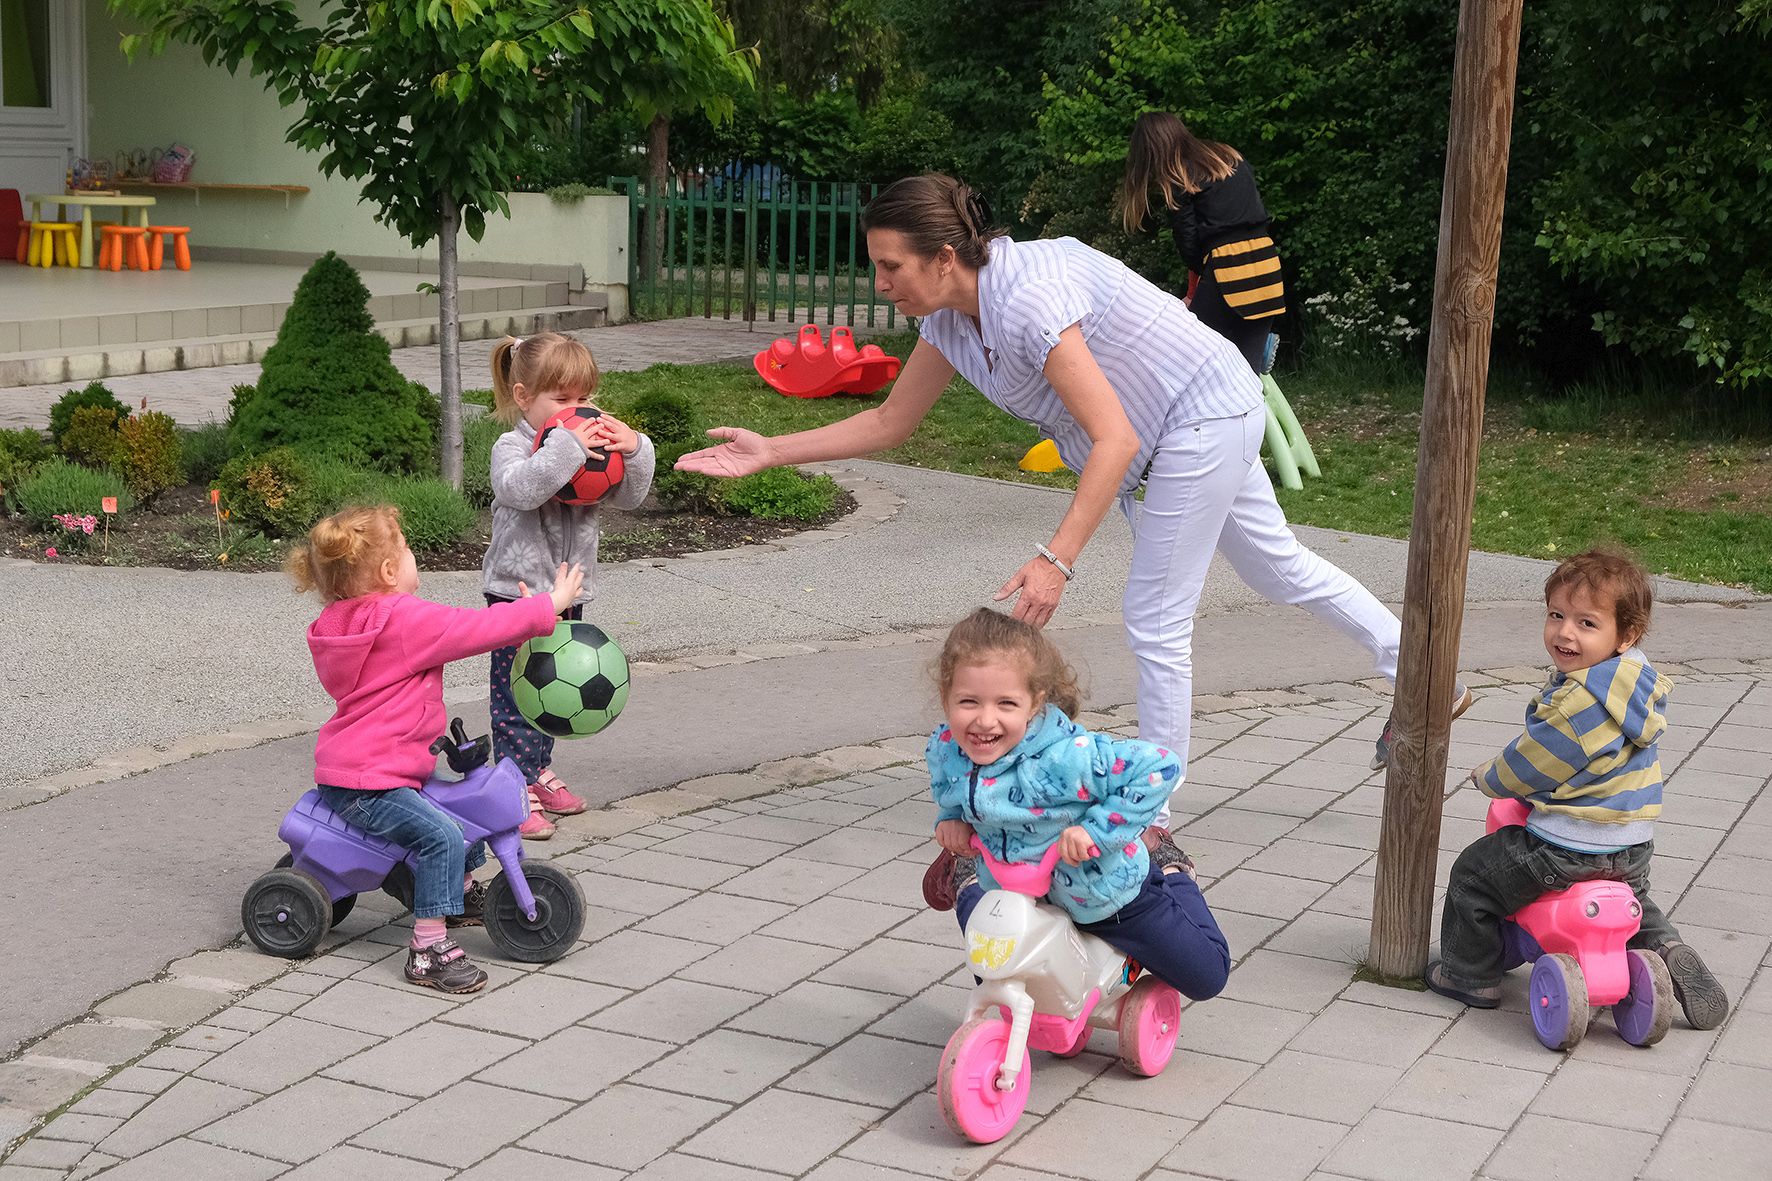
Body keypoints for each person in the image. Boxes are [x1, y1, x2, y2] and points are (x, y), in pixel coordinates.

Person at [673, 172, 1466, 905]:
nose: (879, 284)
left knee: (1156, 619)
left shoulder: (1028, 297)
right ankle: (1421, 669)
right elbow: (891, 420)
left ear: (944, 257)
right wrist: (772, 448)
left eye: (890, 266)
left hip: (1201, 412)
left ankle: (1148, 822)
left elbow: (1112, 436)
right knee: (1278, 567)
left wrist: (1057, 560)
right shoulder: (950, 318)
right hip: (1166, 431)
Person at [1426, 549, 1729, 1031]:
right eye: (1556, 615)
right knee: (1633, 906)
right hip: (1631, 844)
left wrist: (1489, 777)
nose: (1565, 632)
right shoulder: (1636, 685)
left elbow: (1532, 764)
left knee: (1476, 875)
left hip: (1564, 847)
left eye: (1587, 623)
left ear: (1624, 635)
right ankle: (1667, 949)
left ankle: (1468, 974)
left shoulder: (1579, 703)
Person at [288, 505, 585, 993]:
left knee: (450, 806)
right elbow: (475, 630)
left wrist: (530, 618)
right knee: (442, 835)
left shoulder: (344, 623)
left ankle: (460, 891)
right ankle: (427, 948)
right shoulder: (401, 619)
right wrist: (547, 606)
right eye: (404, 546)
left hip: (368, 768)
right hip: (372, 783)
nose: (411, 553)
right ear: (388, 572)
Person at [927, 608, 1229, 1000]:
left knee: (1207, 975)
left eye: (1006, 704)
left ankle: (1169, 866)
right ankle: (966, 875)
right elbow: (949, 787)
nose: (985, 721)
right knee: (992, 973)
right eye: (968, 702)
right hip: (1013, 891)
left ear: (1035, 702)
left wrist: (1096, 832)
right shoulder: (947, 747)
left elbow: (1159, 768)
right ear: (946, 697)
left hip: (1104, 893)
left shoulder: (1068, 758)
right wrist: (950, 818)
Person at [482, 332, 656, 838]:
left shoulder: (582, 442)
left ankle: (538, 771)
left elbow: (628, 498)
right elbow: (524, 488)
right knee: (516, 694)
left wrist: (636, 448)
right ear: (522, 397)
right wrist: (566, 446)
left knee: (554, 690)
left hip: (568, 591)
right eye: (561, 400)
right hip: (517, 595)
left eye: (583, 399)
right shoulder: (511, 447)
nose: (576, 410)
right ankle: (512, 791)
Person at [1122, 111, 1285, 375]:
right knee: (1247, 373)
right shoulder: (1226, 154)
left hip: (1229, 267)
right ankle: (1256, 351)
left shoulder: (1179, 174)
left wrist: (1199, 284)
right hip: (1266, 261)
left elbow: (1188, 240)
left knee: (1190, 348)